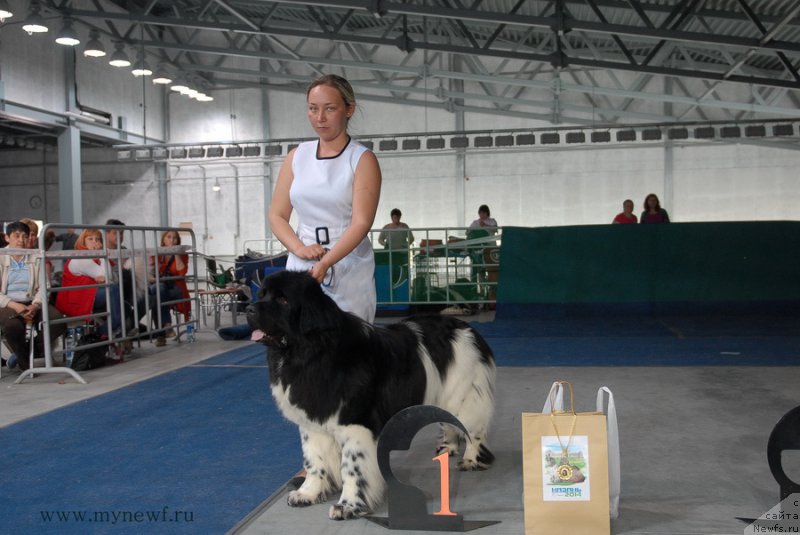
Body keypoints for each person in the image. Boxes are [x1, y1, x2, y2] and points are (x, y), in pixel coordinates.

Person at [268, 74, 382, 323]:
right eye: (313, 109)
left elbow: (361, 223)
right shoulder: (296, 156)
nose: (320, 118)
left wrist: (325, 262)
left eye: (330, 109)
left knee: (349, 347)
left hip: (348, 265)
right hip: (302, 264)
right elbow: (277, 215)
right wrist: (299, 249)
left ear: (349, 109)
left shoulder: (362, 159)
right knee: (298, 346)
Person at [0, 221, 67, 371]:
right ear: (7, 238)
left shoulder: (36, 256)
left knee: (57, 321)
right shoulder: (0, 256)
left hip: (32, 301)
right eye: (16, 236)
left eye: (24, 236)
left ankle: (29, 350)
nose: (21, 240)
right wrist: (15, 306)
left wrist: (35, 305)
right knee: (13, 326)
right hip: (7, 304)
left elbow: (45, 286)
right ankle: (25, 364)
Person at [56, 229, 125, 336]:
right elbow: (108, 276)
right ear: (83, 242)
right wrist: (103, 254)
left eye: (97, 239)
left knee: (126, 306)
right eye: (90, 239)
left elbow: (108, 278)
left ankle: (104, 335)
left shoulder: (92, 257)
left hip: (87, 295)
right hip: (77, 301)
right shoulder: (80, 258)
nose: (95, 242)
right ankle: (102, 333)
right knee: (113, 290)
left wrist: (105, 275)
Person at [153, 230, 191, 346]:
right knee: (158, 293)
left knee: (158, 296)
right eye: (169, 237)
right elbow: (151, 272)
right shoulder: (158, 254)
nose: (172, 240)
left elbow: (182, 272)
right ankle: (166, 326)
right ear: (163, 240)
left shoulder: (182, 254)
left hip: (176, 287)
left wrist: (176, 253)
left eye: (175, 238)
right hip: (161, 285)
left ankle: (161, 334)